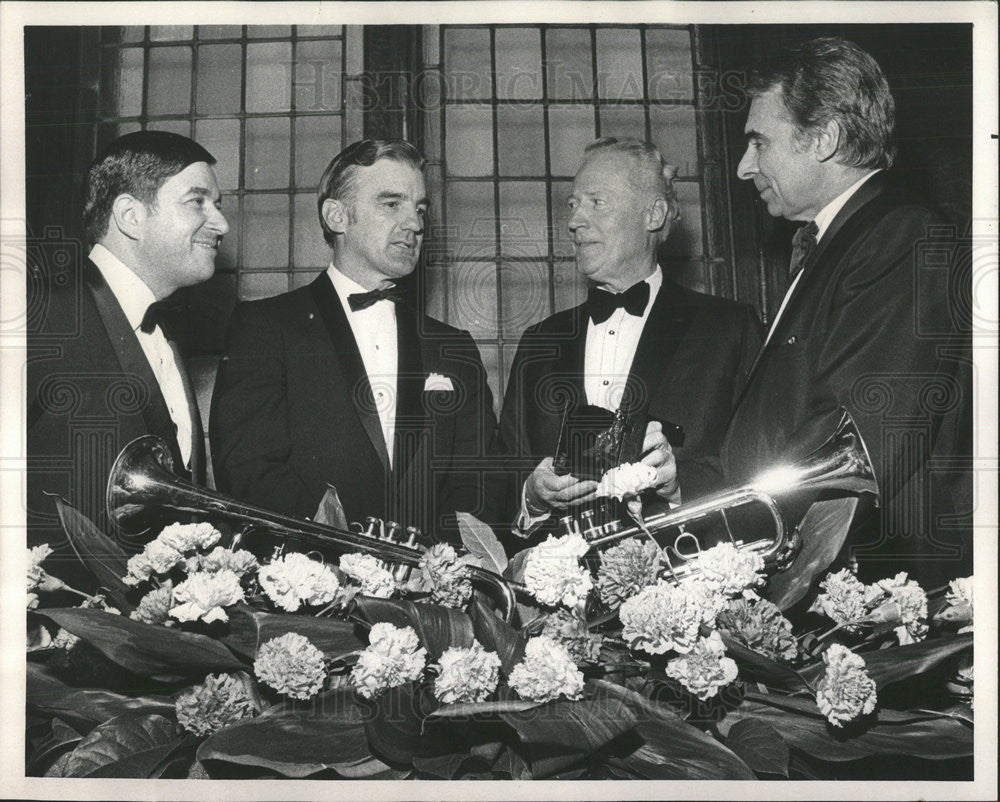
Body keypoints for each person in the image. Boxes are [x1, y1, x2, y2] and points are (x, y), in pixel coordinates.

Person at [721, 37, 971, 584]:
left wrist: (724, 534)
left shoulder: (899, 234)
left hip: (867, 580)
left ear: (825, 138)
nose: (744, 167)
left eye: (759, 143)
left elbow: (856, 433)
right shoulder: (845, 238)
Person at [210, 139, 497, 541]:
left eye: (420, 209)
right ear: (337, 216)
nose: (414, 224)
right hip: (310, 589)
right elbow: (248, 472)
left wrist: (431, 572)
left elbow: (479, 485)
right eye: (391, 204)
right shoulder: (266, 328)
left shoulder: (454, 348)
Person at [500, 137, 762, 541]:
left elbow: (757, 478)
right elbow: (500, 477)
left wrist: (678, 490)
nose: (574, 221)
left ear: (653, 215)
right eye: (573, 205)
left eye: (596, 203)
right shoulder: (540, 342)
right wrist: (532, 498)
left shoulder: (730, 329)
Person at [27, 130, 228, 578]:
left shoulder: (167, 330)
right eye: (198, 201)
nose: (221, 224)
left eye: (218, 205)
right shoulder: (38, 311)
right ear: (130, 216)